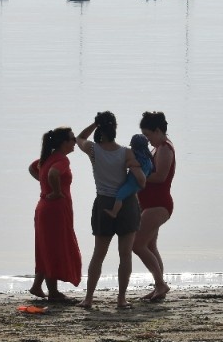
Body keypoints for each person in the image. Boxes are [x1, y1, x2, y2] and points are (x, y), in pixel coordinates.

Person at [76, 111, 147, 310]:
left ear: (100, 129)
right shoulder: (126, 152)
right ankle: (121, 299)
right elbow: (141, 179)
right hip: (127, 203)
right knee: (125, 254)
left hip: (104, 203)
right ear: (115, 128)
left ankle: (89, 298)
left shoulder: (93, 149)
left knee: (98, 254)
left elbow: (79, 138)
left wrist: (93, 124)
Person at [28, 126, 82, 302]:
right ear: (64, 143)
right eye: (72, 139)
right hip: (55, 208)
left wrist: (44, 184)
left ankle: (37, 286)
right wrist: (57, 191)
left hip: (44, 205)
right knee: (54, 248)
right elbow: (53, 173)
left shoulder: (47, 158)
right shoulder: (61, 160)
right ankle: (54, 292)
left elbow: (32, 168)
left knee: (46, 246)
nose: (75, 142)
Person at [134, 110, 176, 302]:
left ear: (158, 131)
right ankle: (159, 286)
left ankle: (161, 284)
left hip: (159, 204)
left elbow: (160, 176)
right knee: (150, 245)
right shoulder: (157, 148)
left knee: (137, 244)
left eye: (149, 135)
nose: (148, 139)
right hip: (150, 204)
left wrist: (137, 176)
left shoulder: (165, 148)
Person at [103, 134, 155, 219]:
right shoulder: (148, 159)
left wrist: (128, 164)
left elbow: (133, 164)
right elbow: (149, 171)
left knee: (120, 195)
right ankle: (136, 208)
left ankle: (114, 212)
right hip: (136, 184)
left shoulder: (139, 159)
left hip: (132, 183)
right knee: (132, 195)